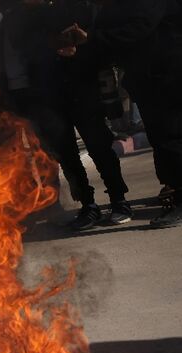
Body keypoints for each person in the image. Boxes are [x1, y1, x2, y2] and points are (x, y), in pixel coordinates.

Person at [59, 0, 182, 228]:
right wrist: (82, 43)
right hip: (147, 79)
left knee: (170, 137)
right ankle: (175, 189)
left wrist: (90, 38)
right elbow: (107, 35)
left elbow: (138, 28)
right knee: (161, 138)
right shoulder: (112, 8)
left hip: (168, 76)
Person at [14, 1, 132, 230]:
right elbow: (21, 44)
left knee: (100, 147)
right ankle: (88, 205)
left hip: (84, 88)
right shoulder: (31, 13)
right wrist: (49, 44)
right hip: (50, 93)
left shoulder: (83, 6)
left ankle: (119, 200)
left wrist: (81, 47)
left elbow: (102, 43)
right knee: (66, 155)